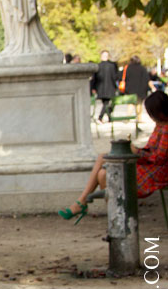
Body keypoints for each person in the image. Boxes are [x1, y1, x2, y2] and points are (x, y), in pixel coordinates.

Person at [59, 90, 168, 222]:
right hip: (148, 166)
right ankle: (112, 212)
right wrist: (136, 150)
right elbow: (152, 152)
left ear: (159, 112)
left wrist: (136, 152)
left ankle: (94, 207)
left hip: (155, 172)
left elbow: (159, 158)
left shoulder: (166, 128)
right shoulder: (160, 126)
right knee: (102, 169)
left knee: (103, 165)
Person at [92, 50, 118, 123]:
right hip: (108, 87)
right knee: (106, 103)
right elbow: (114, 77)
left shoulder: (98, 66)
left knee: (106, 103)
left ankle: (108, 117)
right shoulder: (111, 66)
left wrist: (94, 87)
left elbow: (94, 79)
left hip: (101, 88)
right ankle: (102, 117)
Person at [124, 55, 153, 122]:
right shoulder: (142, 68)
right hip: (140, 89)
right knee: (139, 104)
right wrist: (152, 87)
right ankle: (139, 118)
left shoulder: (127, 68)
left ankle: (127, 118)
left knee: (130, 104)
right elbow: (147, 79)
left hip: (130, 89)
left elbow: (121, 77)